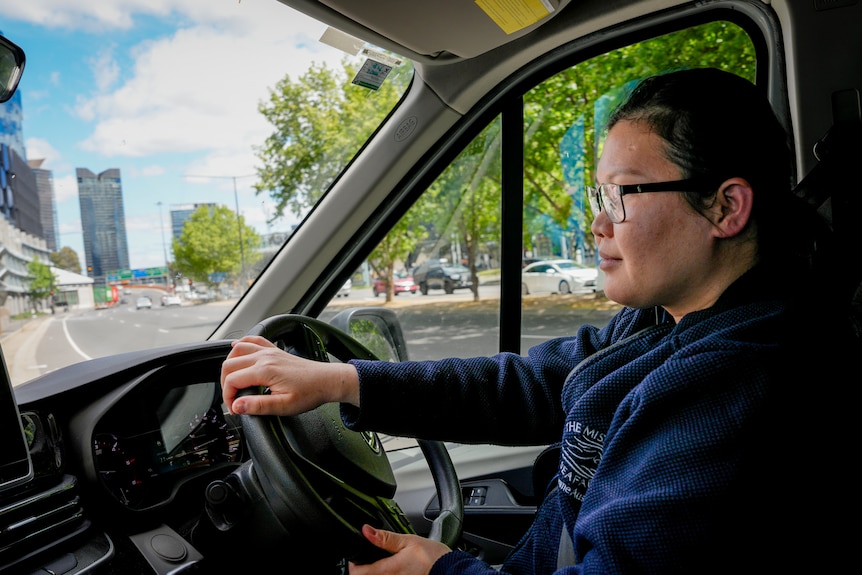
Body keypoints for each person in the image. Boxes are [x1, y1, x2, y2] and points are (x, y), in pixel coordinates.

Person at [221, 68, 847, 574]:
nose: (596, 225)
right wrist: (341, 382)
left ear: (726, 207)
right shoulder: (661, 321)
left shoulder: (737, 384)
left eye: (620, 195)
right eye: (598, 196)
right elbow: (533, 384)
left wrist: (442, 573)